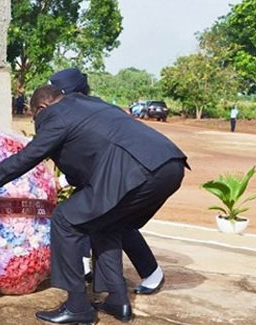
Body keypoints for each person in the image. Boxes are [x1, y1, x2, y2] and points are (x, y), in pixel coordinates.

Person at [0, 84, 188, 324]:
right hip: (170, 164)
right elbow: (84, 157)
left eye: (36, 116)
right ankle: (118, 300)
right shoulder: (90, 104)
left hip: (134, 170)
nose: (38, 123)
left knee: (65, 219)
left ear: (42, 107)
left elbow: (29, 156)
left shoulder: (56, 114)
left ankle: (77, 307)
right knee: (104, 224)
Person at [50, 68, 166, 295]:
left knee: (104, 218)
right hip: (104, 174)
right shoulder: (81, 109)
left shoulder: (88, 110)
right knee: (102, 218)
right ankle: (121, 276)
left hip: (121, 173)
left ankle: (146, 272)